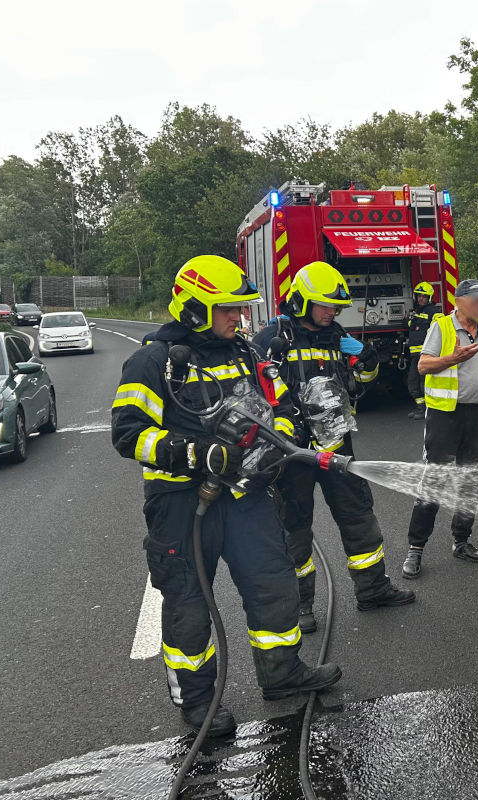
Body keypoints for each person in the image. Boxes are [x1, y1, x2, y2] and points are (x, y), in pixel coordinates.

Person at [111, 255, 341, 738]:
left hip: (246, 495)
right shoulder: (153, 362)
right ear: (195, 308)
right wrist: (196, 453)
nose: (239, 317)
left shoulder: (245, 354)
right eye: (229, 309)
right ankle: (198, 701)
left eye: (240, 308)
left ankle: (282, 673)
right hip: (181, 503)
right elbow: (128, 434)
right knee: (188, 601)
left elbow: (280, 407)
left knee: (273, 580)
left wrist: (273, 445)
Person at [252, 262, 417, 633]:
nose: (332, 313)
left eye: (335, 307)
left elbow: (361, 381)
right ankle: (299, 606)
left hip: (337, 446)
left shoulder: (336, 335)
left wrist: (368, 362)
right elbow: (253, 393)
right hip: (291, 453)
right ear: (301, 301)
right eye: (324, 305)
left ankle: (372, 590)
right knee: (293, 528)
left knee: (358, 515)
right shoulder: (273, 339)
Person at [403, 278, 478, 578]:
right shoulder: (441, 327)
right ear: (459, 302)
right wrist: (452, 358)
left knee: (471, 481)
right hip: (445, 415)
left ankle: (461, 541)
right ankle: (416, 548)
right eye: (475, 300)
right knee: (435, 481)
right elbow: (423, 366)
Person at [406, 282, 443, 420]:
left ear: (429, 298)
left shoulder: (434, 312)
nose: (421, 299)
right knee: (412, 384)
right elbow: (413, 326)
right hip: (416, 356)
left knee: (424, 385)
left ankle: (429, 410)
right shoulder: (418, 313)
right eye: (419, 296)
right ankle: (421, 408)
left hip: (427, 356)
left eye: (424, 296)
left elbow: (439, 327)